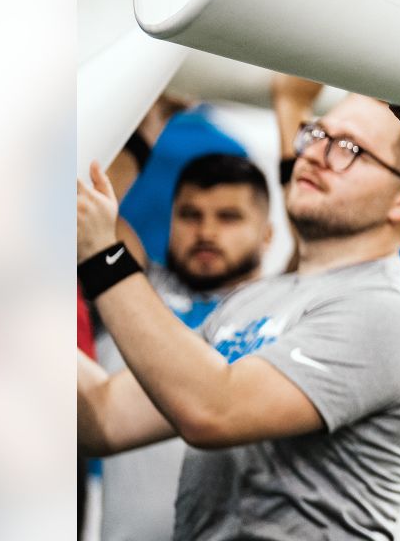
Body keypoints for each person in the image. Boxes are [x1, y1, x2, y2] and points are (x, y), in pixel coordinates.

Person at [77, 94, 400, 539]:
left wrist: (104, 257)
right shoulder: (256, 302)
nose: (314, 154)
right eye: (317, 133)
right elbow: (105, 416)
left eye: (349, 148)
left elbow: (212, 411)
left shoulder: (387, 309)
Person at [96, 153, 274, 541]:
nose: (206, 231)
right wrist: (153, 119)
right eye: (191, 215)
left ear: (267, 234)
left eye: (229, 217)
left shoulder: (281, 313)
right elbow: (83, 201)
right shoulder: (130, 291)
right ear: (171, 221)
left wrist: (290, 108)